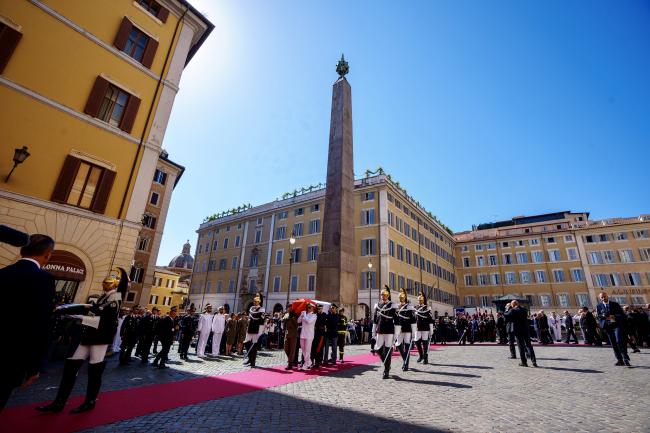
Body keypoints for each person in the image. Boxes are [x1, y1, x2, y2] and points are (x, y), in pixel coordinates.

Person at [38, 267, 127, 413]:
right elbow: (93, 312)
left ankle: (90, 401)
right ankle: (60, 401)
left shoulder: (115, 297)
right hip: (91, 334)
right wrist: (71, 312)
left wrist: (80, 317)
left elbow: (106, 320)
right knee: (71, 366)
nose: (105, 284)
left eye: (109, 282)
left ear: (115, 285)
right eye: (105, 282)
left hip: (100, 336)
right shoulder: (103, 297)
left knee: (95, 369)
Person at [0, 234, 56, 411]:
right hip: (12, 356)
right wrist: (36, 366)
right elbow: (41, 324)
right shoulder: (44, 279)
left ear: (22, 250)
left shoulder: (3, 273)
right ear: (47, 255)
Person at [597, 292, 630, 366]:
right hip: (607, 326)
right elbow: (599, 316)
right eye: (602, 297)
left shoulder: (615, 304)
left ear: (607, 296)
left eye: (604, 296)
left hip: (616, 325)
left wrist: (614, 316)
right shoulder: (599, 306)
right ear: (600, 298)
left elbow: (622, 315)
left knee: (619, 341)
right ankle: (619, 360)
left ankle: (625, 358)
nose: (603, 298)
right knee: (613, 343)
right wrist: (603, 317)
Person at [373, 285, 397, 379]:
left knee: (387, 350)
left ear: (388, 296)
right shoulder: (378, 305)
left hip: (389, 330)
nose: (383, 296)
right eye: (382, 295)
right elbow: (375, 320)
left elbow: (397, 320)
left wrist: (396, 334)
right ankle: (386, 364)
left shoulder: (392, 305)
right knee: (378, 348)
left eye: (385, 295)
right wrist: (373, 332)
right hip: (380, 329)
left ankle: (386, 371)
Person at [504, 300, 537, 367]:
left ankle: (524, 362)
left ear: (512, 305)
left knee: (521, 347)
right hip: (525, 329)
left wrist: (507, 309)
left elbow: (506, 315)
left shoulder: (513, 310)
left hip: (518, 330)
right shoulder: (524, 309)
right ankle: (534, 361)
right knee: (529, 345)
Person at [395, 288, 416, 371]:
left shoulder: (409, 307)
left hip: (407, 328)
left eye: (402, 298)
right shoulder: (396, 307)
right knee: (398, 345)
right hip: (399, 329)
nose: (401, 299)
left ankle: (406, 364)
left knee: (407, 346)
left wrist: (414, 333)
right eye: (400, 298)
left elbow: (413, 320)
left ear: (405, 298)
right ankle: (405, 359)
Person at [243, 293, 265, 368]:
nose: (254, 302)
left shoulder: (261, 309)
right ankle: (250, 358)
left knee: (254, 345)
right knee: (246, 343)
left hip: (256, 329)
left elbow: (262, 320)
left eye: (256, 301)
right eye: (254, 301)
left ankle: (253, 361)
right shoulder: (251, 308)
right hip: (250, 328)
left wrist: (260, 331)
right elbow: (250, 318)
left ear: (259, 302)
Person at [414, 291, 434, 364]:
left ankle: (426, 358)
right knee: (416, 341)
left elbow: (430, 320)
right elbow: (415, 318)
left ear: (423, 300)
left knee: (425, 342)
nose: (419, 301)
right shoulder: (416, 307)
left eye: (421, 300)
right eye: (419, 300)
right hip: (418, 327)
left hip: (425, 327)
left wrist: (431, 330)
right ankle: (421, 355)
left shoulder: (427, 308)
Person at [298, 303, 317, 370]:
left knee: (307, 350)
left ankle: (305, 365)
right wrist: (301, 315)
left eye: (310, 307)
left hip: (309, 335)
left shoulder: (314, 315)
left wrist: (305, 315)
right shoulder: (304, 314)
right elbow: (298, 321)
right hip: (303, 334)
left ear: (313, 308)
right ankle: (309, 362)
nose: (308, 308)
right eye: (308, 307)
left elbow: (309, 321)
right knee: (303, 350)